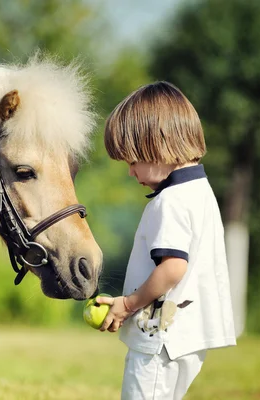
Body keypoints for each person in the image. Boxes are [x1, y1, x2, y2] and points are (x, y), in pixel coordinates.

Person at [97, 81, 236, 399]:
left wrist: (127, 305)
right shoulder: (199, 192)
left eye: (132, 161)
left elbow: (173, 267)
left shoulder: (169, 201)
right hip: (186, 338)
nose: (131, 173)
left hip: (160, 339)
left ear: (155, 146)